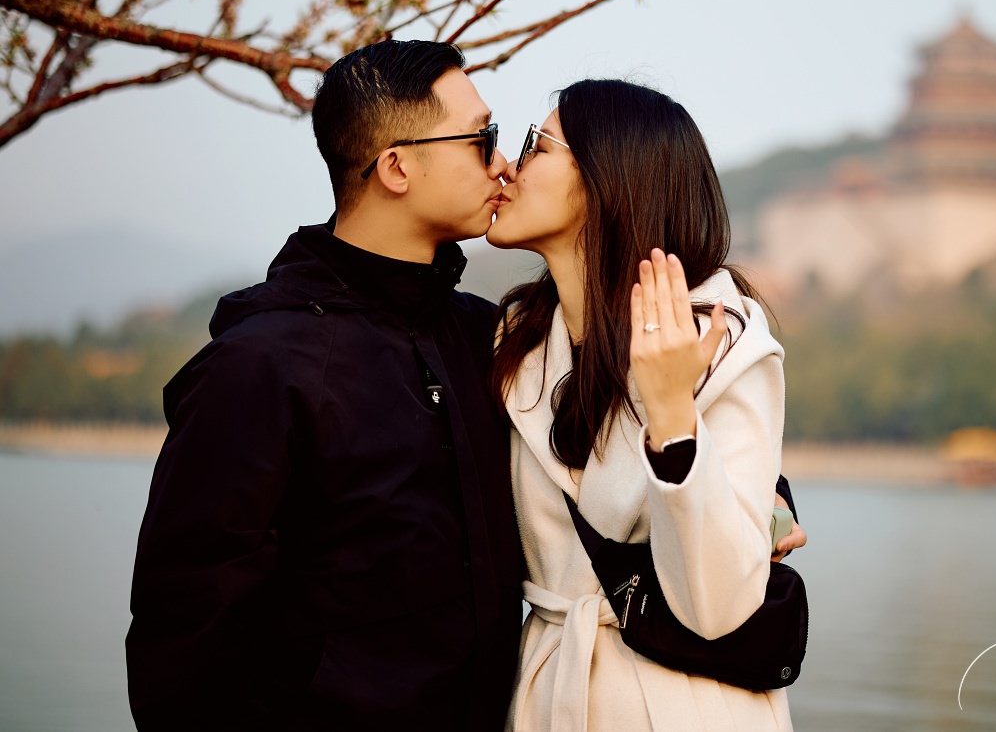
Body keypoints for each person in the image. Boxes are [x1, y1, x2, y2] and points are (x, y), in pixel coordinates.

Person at [125, 41, 524, 731]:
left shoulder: (484, 337)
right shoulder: (261, 363)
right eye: (482, 139)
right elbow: (183, 630)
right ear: (396, 166)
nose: (503, 164)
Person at [488, 79, 796, 731]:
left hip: (681, 706)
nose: (508, 167)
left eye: (536, 145)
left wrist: (671, 418)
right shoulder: (512, 342)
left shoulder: (723, 342)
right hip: (546, 693)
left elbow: (718, 604)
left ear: (605, 180)